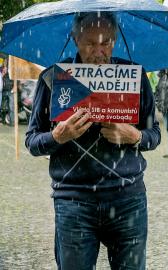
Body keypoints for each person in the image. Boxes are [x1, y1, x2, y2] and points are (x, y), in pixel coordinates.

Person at [25, 12, 161, 270]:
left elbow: (154, 135)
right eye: (90, 43)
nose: (99, 51)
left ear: (115, 41)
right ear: (75, 39)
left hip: (128, 199)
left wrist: (135, 136)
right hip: (73, 201)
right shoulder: (54, 78)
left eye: (106, 42)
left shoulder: (134, 76)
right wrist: (57, 136)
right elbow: (32, 141)